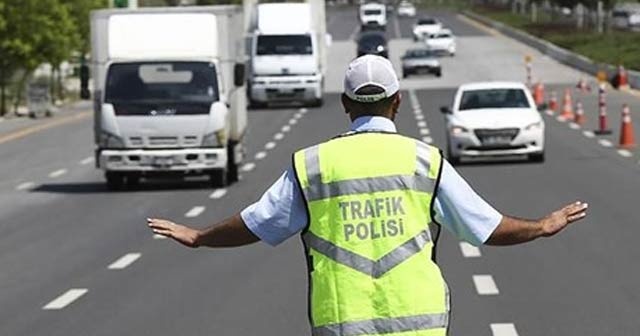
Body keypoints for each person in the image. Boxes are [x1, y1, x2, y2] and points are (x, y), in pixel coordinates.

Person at [148, 55, 588, 336]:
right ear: (396, 102)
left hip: (342, 326)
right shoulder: (424, 161)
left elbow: (257, 223)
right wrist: (542, 227)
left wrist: (200, 235)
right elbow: (486, 227)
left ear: (345, 103)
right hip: (422, 326)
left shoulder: (313, 165)